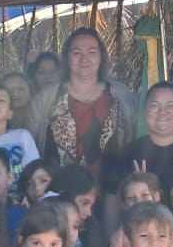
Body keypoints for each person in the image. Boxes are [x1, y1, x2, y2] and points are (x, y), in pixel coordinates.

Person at [23, 28, 138, 188]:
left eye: (91, 52)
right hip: (58, 193)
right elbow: (27, 145)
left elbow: (135, 141)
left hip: (114, 192)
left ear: (101, 57)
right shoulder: (45, 98)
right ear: (67, 58)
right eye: (76, 52)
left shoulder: (122, 95)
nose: (84, 59)